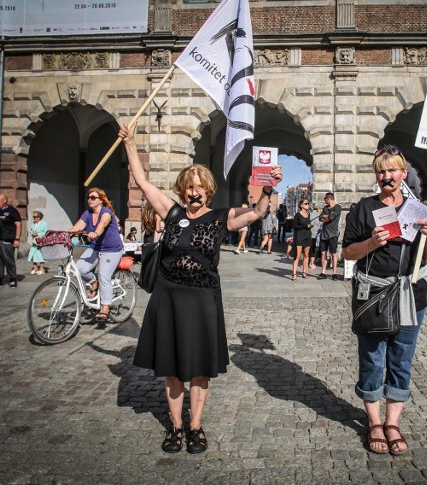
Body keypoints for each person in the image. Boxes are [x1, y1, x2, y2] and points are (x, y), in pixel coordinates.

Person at [119, 123, 282, 454]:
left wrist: (267, 188)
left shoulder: (221, 218)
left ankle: (196, 427)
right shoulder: (172, 211)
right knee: (172, 368)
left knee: (199, 370)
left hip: (203, 299)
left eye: (200, 188)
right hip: (169, 297)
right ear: (182, 190)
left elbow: (256, 213)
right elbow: (143, 182)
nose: (194, 193)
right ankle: (176, 427)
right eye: (189, 187)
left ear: (209, 191)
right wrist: (131, 144)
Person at [342, 145, 427, 455]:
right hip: (374, 293)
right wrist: (371, 242)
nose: (386, 175)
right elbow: (347, 253)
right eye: (381, 171)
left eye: (392, 170)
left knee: (402, 358)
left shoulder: (419, 209)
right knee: (372, 357)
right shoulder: (363, 208)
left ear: (403, 173)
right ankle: (373, 423)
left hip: (411, 293)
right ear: (376, 175)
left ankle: (392, 423)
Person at [67, 187, 124, 321]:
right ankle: (94, 282)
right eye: (88, 197)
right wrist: (66, 233)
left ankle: (105, 307)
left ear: (101, 201)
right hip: (95, 247)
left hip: (112, 249)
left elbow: (102, 224)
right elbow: (77, 227)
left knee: (104, 276)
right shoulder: (87, 214)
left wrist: (96, 233)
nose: (90, 200)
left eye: (93, 197)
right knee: (80, 269)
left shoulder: (107, 212)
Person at [318, 192, 342, 280]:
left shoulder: (338, 207)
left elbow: (331, 217)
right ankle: (323, 272)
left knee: (333, 253)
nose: (324, 200)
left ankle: (334, 273)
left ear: (329, 198)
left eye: (325, 199)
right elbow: (320, 218)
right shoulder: (325, 208)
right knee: (323, 253)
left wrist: (326, 217)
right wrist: (325, 217)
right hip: (324, 234)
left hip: (333, 234)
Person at [291, 199, 312, 280]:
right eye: (306, 203)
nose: (307, 205)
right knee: (297, 256)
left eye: (308, 203)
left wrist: (310, 226)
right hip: (299, 237)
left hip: (307, 236)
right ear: (301, 205)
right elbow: (294, 226)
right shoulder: (297, 215)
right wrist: (305, 226)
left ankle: (304, 272)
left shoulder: (308, 214)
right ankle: (294, 274)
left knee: (306, 255)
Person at [28, 211, 49, 275]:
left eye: (35, 217)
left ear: (39, 217)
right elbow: (31, 231)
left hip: (41, 241)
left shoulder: (44, 224)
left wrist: (38, 234)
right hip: (34, 241)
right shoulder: (33, 224)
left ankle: (42, 269)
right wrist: (32, 233)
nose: (33, 218)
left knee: (41, 255)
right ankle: (35, 268)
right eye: (33, 217)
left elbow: (46, 232)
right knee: (33, 254)